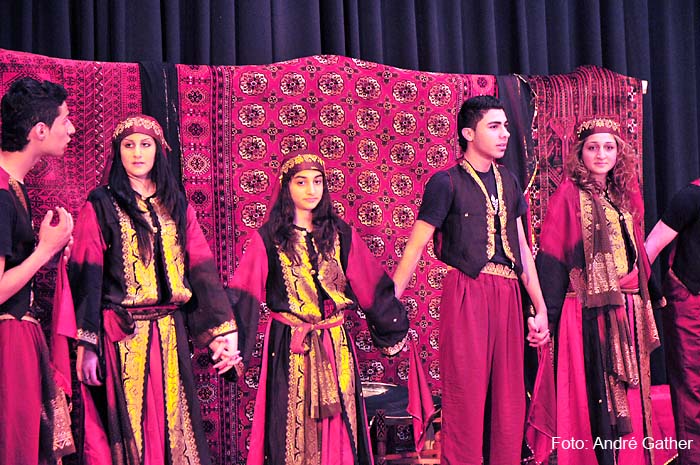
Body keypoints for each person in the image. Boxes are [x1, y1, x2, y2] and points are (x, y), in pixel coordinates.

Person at [68, 115, 241, 465]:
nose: (137, 153)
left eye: (145, 145)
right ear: (117, 152)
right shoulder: (101, 204)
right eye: (128, 145)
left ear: (158, 151)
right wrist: (87, 344)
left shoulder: (175, 204)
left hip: (169, 334)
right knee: (130, 429)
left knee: (173, 424)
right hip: (123, 336)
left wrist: (220, 334)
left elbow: (201, 272)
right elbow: (87, 276)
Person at [392, 95, 550, 465]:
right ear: (468, 133)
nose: (504, 134)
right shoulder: (446, 182)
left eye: (505, 126)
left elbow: (522, 250)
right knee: (466, 395)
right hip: (467, 291)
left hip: (508, 292)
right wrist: (390, 300)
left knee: (509, 400)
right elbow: (416, 245)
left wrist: (540, 308)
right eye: (494, 126)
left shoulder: (509, 181)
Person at [226, 151, 409, 465]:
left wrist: (393, 326)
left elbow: (370, 283)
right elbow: (244, 294)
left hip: (335, 345)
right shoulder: (268, 239)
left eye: (317, 181)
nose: (311, 190)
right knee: (291, 427)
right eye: (301, 182)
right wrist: (229, 345)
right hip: (290, 347)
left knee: (340, 425)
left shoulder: (341, 235)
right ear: (286, 187)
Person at [535, 118, 660, 465]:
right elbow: (552, 256)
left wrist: (652, 292)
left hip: (629, 308)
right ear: (580, 154)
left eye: (608, 147)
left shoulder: (624, 195)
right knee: (598, 399)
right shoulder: (568, 197)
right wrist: (546, 316)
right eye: (593, 148)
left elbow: (637, 251)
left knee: (630, 396)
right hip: (588, 312)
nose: (601, 154)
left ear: (619, 152)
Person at [0, 77, 75, 465]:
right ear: (40, 130)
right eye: (65, 120)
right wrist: (46, 250)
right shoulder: (1, 193)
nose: (71, 129)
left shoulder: (14, 186)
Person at [645, 178, 700, 465]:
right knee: (692, 387)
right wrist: (641, 295)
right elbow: (650, 248)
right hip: (689, 302)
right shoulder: (691, 196)